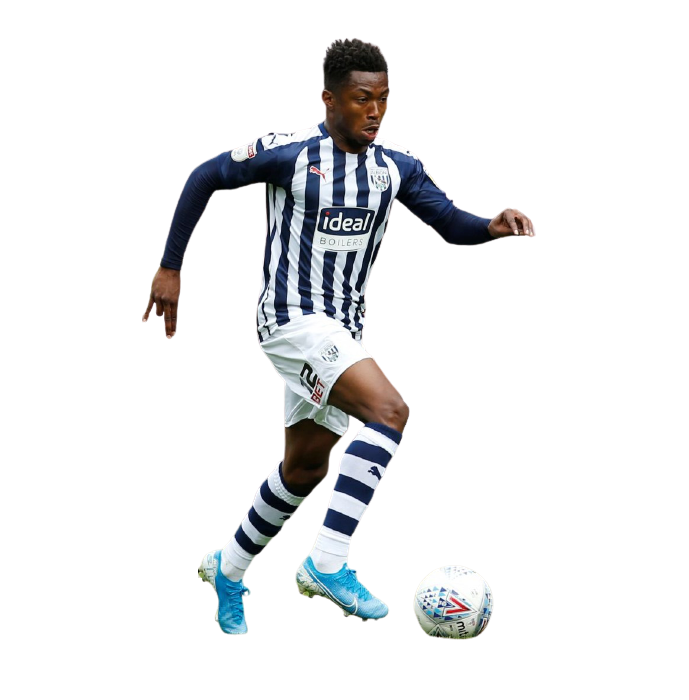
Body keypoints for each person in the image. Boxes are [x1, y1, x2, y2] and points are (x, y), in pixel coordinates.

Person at [142, 38, 535, 636]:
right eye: (360, 99)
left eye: (384, 99)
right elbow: (205, 176)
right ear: (329, 100)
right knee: (389, 410)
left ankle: (229, 566)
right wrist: (170, 267)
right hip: (291, 319)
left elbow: (450, 224)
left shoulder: (397, 165)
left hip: (345, 329)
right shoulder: (289, 153)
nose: (374, 112)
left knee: (304, 469)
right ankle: (326, 563)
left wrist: (491, 227)